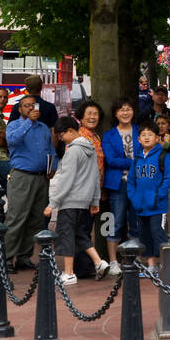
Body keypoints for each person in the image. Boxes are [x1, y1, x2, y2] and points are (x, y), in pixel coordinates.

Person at [46, 116, 106, 285]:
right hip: (85, 201)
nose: (60, 139)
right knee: (80, 234)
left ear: (70, 131)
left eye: (61, 135)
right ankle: (98, 262)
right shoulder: (90, 149)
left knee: (66, 235)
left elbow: (66, 179)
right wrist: (95, 200)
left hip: (70, 201)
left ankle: (69, 273)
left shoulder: (72, 151)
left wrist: (53, 203)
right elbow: (95, 175)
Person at [3, 96, 56, 271]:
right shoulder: (14, 125)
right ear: (20, 110)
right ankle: (7, 257)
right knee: (17, 217)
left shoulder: (43, 129)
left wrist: (53, 167)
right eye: (27, 106)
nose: (31, 108)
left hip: (42, 178)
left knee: (36, 219)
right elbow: (12, 140)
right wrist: (28, 123)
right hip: (22, 177)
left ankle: (24, 256)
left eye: (33, 105)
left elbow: (50, 150)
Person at [127, 120, 170, 269]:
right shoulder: (136, 158)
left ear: (157, 138)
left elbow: (169, 179)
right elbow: (131, 181)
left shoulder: (163, 156)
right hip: (140, 206)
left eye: (150, 134)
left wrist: (158, 196)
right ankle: (151, 265)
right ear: (139, 139)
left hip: (158, 206)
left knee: (159, 233)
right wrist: (134, 198)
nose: (147, 137)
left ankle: (166, 266)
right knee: (145, 236)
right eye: (143, 135)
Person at [100, 98, 137, 275]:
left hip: (138, 184)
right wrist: (133, 162)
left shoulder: (140, 131)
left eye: (128, 109)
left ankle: (133, 259)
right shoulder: (108, 135)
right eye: (121, 109)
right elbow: (111, 160)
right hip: (117, 184)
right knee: (115, 221)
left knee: (136, 222)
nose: (125, 112)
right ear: (116, 113)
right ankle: (113, 261)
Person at [74, 98, 109, 278]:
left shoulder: (95, 136)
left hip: (95, 190)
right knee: (81, 229)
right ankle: (83, 267)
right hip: (83, 191)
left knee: (85, 228)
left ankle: (85, 266)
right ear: (81, 116)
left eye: (95, 114)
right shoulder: (79, 137)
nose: (93, 117)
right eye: (89, 114)